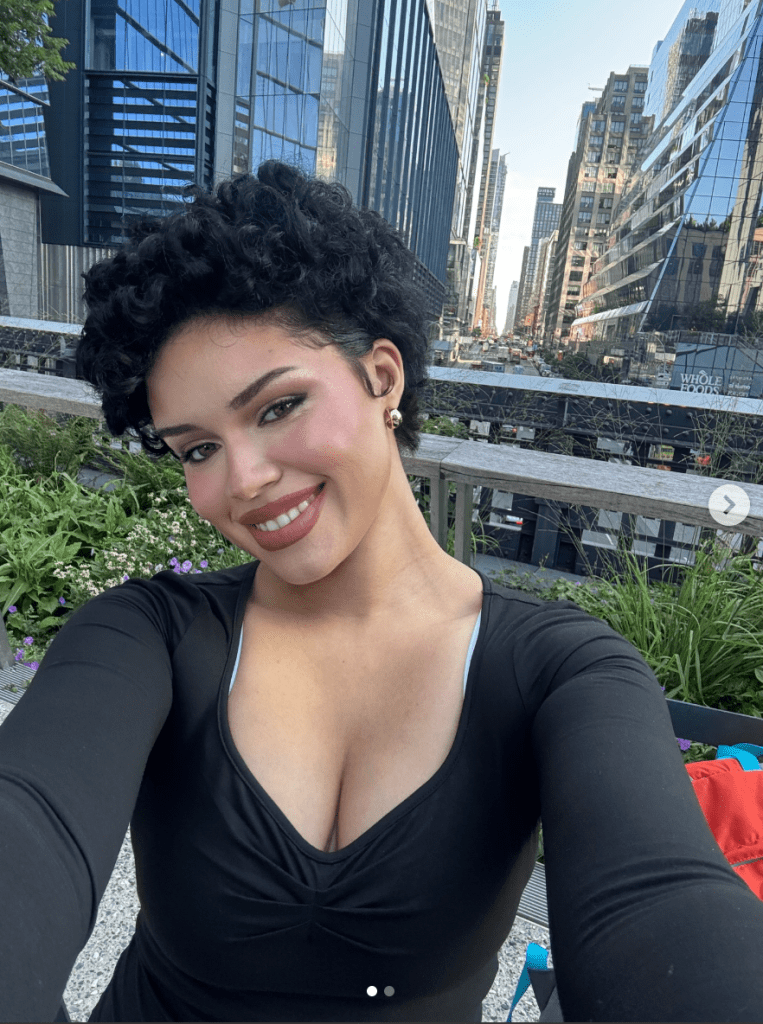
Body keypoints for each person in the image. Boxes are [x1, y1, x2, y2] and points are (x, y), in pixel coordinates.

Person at [1, 161, 763, 1024]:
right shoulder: (149, 634)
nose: (243, 479)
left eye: (277, 407)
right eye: (198, 449)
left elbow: (659, 905)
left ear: (382, 377)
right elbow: (29, 819)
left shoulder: (562, 670)